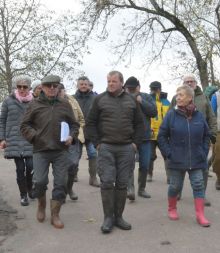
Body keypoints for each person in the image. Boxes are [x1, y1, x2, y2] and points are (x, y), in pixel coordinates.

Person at [86, 70, 145, 234]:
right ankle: (108, 218)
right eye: (108, 81)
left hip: (126, 148)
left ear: (121, 83)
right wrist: (97, 144)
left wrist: (135, 144)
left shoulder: (132, 100)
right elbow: (90, 123)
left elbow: (140, 125)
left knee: (122, 184)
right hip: (106, 147)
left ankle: (119, 217)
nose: (110, 84)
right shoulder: (99, 99)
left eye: (114, 81)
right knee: (106, 182)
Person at [20, 75, 79, 229]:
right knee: (39, 182)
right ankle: (41, 206)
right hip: (41, 150)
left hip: (61, 151)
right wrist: (35, 137)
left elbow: (74, 125)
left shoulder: (65, 104)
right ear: (43, 87)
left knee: (60, 183)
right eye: (48, 85)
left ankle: (55, 214)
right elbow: (24, 125)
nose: (52, 88)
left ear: (58, 87)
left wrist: (72, 137)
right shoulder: (34, 104)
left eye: (55, 85)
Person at [158, 85, 210, 227]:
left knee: (198, 184)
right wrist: (169, 153)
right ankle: (172, 208)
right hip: (177, 158)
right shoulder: (171, 115)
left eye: (181, 95)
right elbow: (161, 136)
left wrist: (203, 151)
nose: (178, 97)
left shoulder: (199, 115)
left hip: (196, 158)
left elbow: (207, 135)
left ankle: (200, 214)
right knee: (175, 186)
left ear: (189, 98)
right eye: (177, 95)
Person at [170, 74, 217, 205]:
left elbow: (211, 117)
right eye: (187, 81)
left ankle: (202, 195)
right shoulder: (176, 98)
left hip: (200, 141)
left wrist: (212, 134)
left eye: (191, 81)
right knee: (180, 169)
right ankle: (177, 192)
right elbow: (169, 117)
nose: (189, 83)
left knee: (203, 170)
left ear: (196, 83)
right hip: (180, 141)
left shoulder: (204, 98)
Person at [0, 75, 34, 206]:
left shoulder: (35, 102)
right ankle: (23, 195)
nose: (21, 89)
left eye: (24, 87)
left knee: (31, 166)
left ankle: (30, 187)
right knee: (20, 168)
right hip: (13, 139)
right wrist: (2, 138)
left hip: (30, 138)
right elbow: (2, 121)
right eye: (19, 86)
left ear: (29, 88)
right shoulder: (8, 101)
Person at [124, 76, 157, 200]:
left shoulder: (146, 97)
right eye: (129, 88)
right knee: (129, 164)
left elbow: (154, 112)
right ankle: (130, 188)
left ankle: (141, 189)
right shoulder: (122, 97)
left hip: (145, 138)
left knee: (144, 164)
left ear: (139, 87)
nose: (131, 91)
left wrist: (141, 101)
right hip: (128, 138)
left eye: (133, 88)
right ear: (125, 88)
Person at [58, 83, 85, 200]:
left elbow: (81, 118)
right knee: (61, 167)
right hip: (57, 139)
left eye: (61, 90)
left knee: (73, 164)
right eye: (58, 91)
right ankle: (61, 192)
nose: (59, 93)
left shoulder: (72, 100)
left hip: (73, 137)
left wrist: (78, 132)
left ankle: (69, 188)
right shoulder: (51, 102)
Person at [74, 76, 99, 187]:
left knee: (93, 154)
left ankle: (93, 178)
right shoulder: (72, 98)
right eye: (81, 84)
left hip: (91, 131)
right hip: (77, 131)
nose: (83, 86)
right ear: (78, 85)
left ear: (89, 85)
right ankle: (73, 174)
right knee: (76, 155)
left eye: (85, 84)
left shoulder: (95, 98)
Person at [148, 81, 170, 183]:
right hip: (150, 133)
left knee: (167, 154)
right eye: (152, 88)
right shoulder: (147, 100)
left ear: (159, 89)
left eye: (155, 89)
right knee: (150, 156)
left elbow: (170, 117)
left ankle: (169, 176)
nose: (153, 91)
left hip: (163, 134)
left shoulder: (166, 102)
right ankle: (149, 174)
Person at [210, 91, 220, 190]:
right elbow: (212, 114)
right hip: (219, 130)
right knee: (218, 157)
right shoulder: (216, 96)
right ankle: (219, 178)